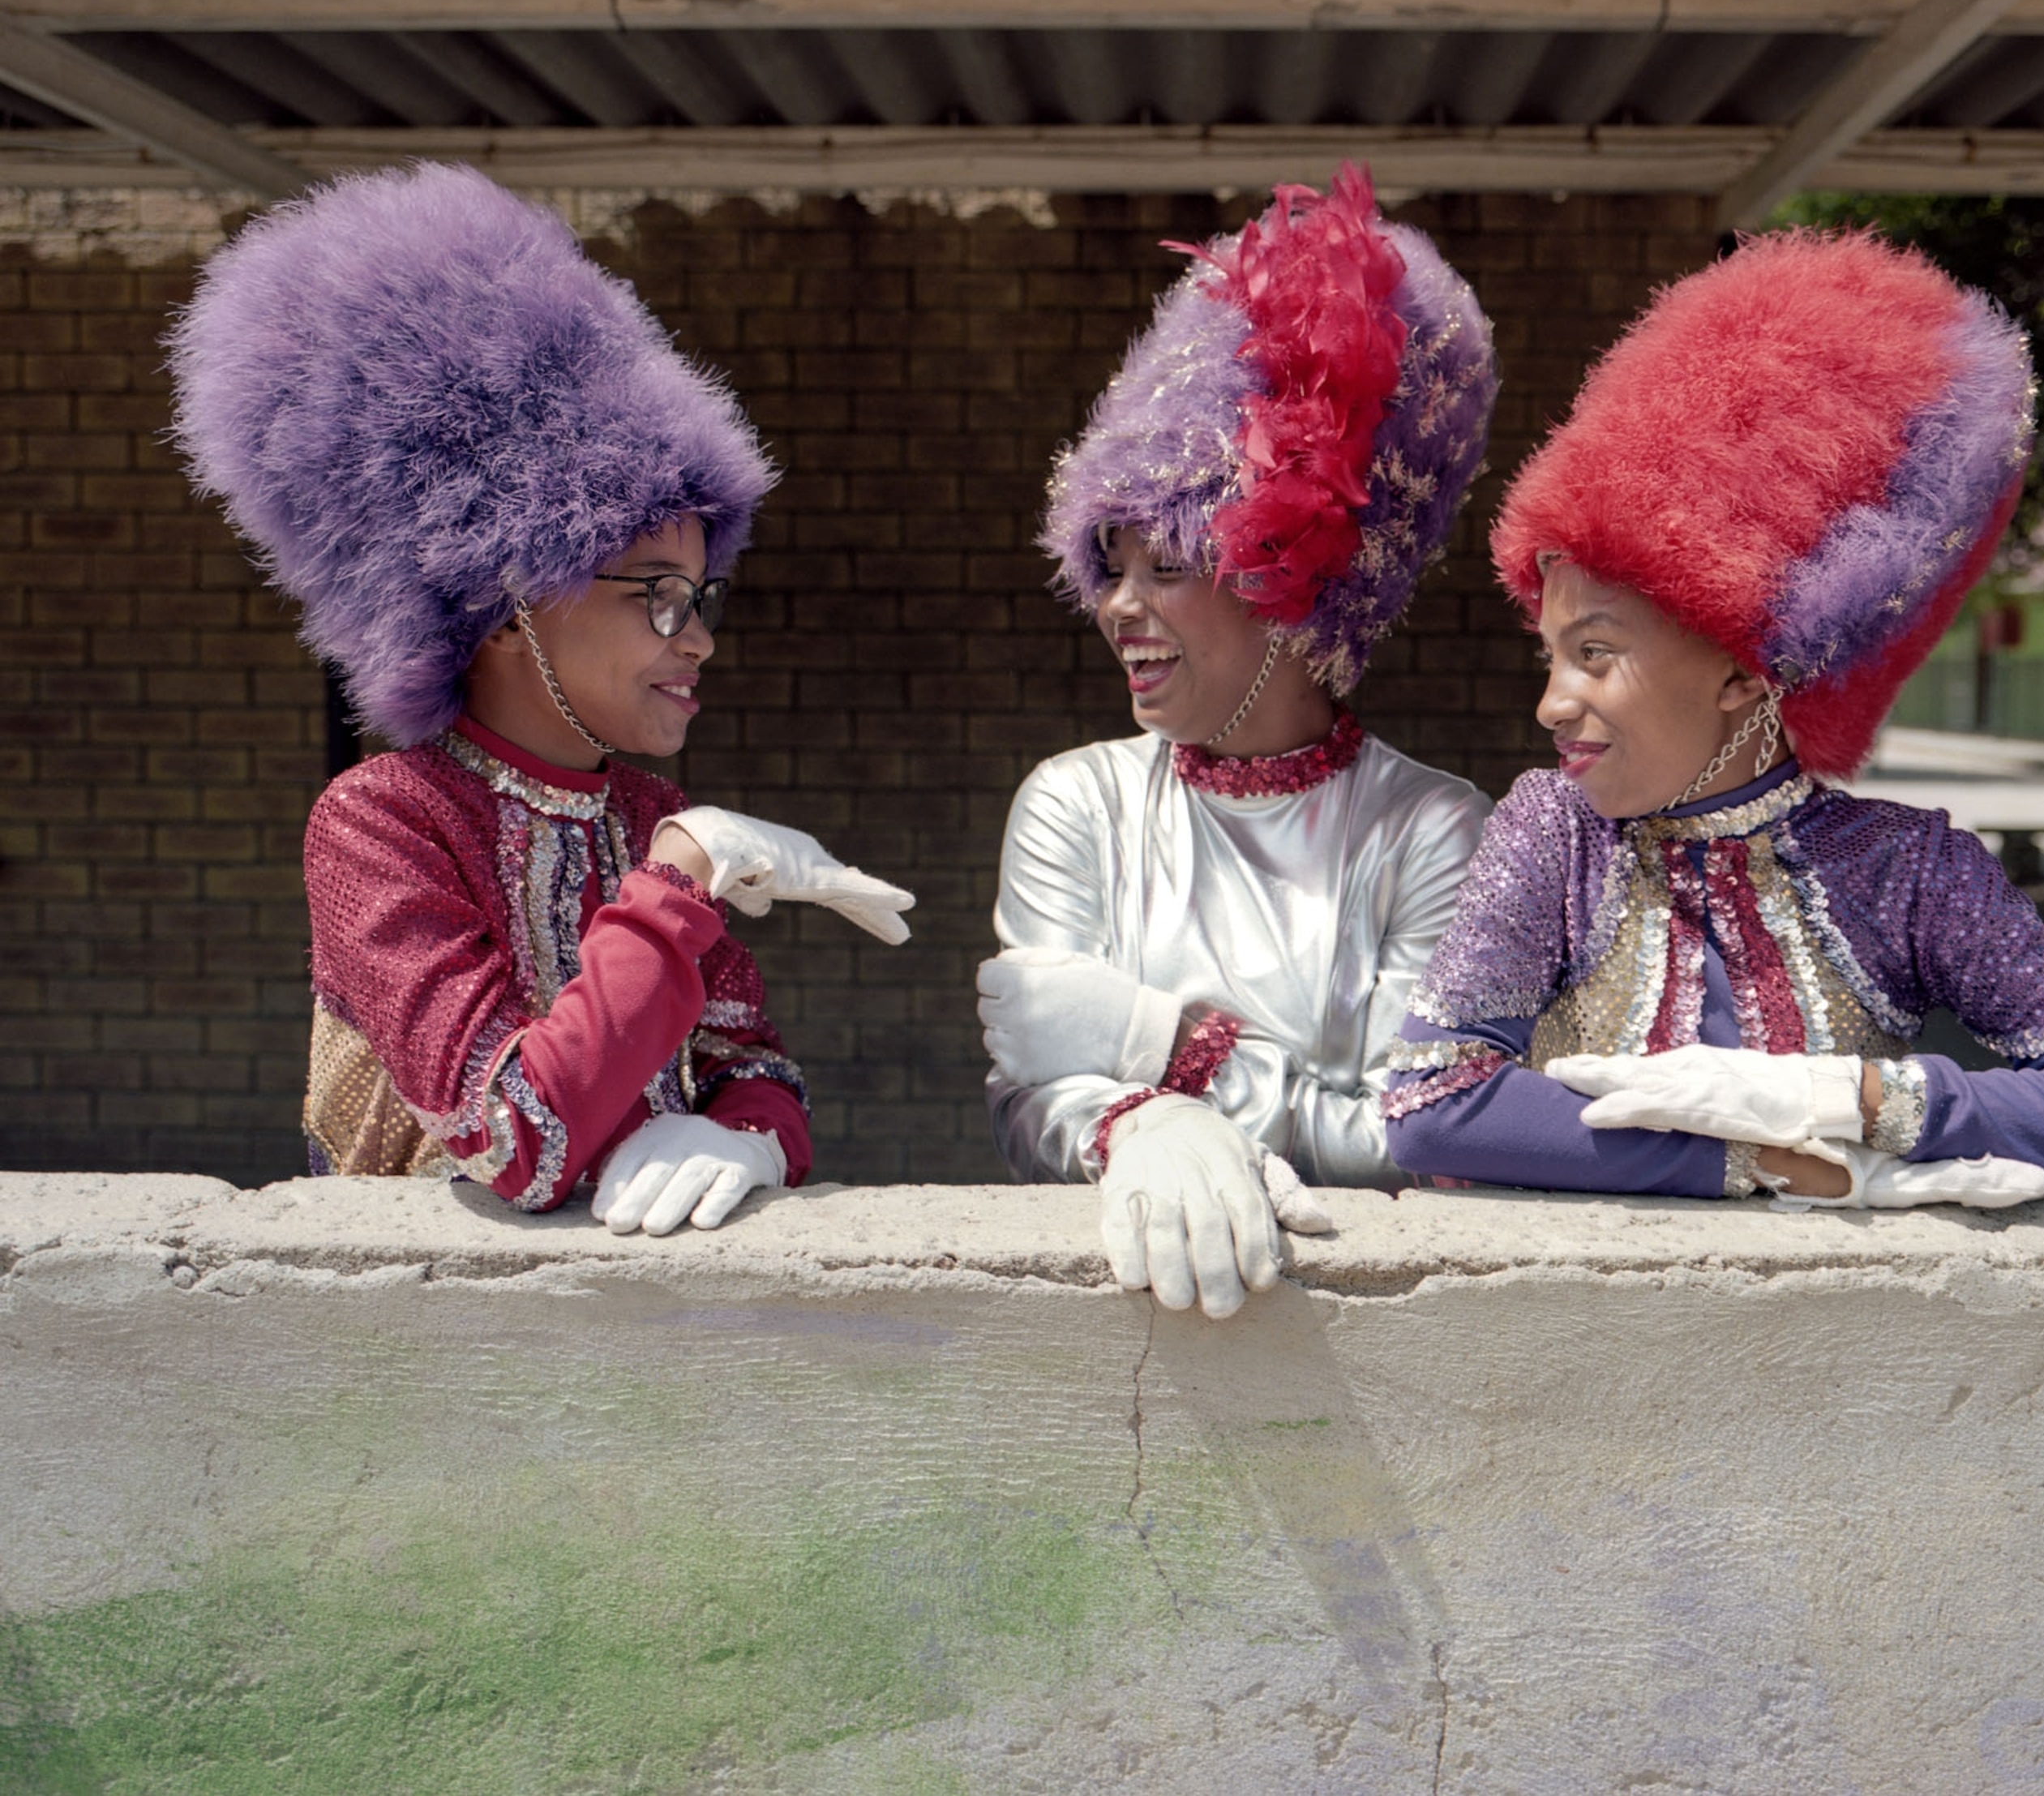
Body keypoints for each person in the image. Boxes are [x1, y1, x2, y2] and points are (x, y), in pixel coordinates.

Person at [1383, 229, 2044, 1207]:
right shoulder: (1553, 832)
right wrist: (1778, 1163)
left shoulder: (1908, 868)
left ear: (1747, 669)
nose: (1552, 702)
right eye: (1552, 653)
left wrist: (1858, 1098)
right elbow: (1431, 1103)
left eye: (1596, 654)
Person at [170, 163, 912, 1234]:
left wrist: (746, 1134)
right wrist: (683, 881)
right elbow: (512, 1136)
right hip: (422, 1362)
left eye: (703, 594)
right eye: (658, 596)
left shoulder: (650, 821)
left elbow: (758, 1072)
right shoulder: (383, 820)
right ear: (517, 591)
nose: (698, 635)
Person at [979, 165, 1499, 1314]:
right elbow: (1028, 1097)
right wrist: (1147, 1124)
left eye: (1167, 564)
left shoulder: (1432, 829)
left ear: (1289, 577)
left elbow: (1423, 1134)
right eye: (1110, 563)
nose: (1118, 605)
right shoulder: (1077, 802)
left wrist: (1178, 1049)